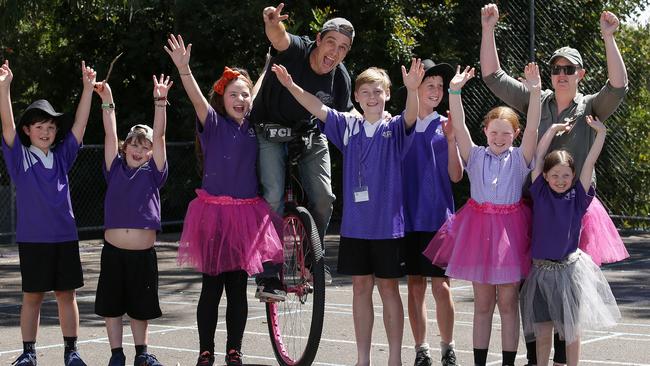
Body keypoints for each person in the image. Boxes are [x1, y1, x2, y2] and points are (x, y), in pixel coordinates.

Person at [480, 4, 629, 364]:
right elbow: (492, 76)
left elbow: (619, 86)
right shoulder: (536, 99)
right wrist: (488, 29)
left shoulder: (590, 106)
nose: (561, 74)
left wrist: (609, 38)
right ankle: (535, 357)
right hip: (531, 206)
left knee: (569, 291)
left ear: (580, 73)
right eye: (555, 69)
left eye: (568, 69)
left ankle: (564, 358)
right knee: (531, 286)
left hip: (573, 210)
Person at [272, 58, 424, 366]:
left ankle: (395, 358)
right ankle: (362, 359)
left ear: (388, 95)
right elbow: (317, 107)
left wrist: (413, 89)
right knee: (360, 289)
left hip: (387, 228)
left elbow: (411, 114)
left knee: (389, 290)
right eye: (366, 91)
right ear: (356, 97)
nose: (372, 97)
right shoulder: (349, 126)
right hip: (356, 228)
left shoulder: (394, 127)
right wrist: (290, 86)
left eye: (378, 91)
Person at [165, 34, 284, 366]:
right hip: (213, 215)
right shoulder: (213, 122)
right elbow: (195, 96)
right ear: (222, 97)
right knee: (211, 288)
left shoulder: (252, 127)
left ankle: (235, 349)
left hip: (246, 216)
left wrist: (268, 64)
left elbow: (259, 87)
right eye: (234, 94)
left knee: (237, 288)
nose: (241, 98)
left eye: (245, 95)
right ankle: (206, 350)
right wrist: (184, 70)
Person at [423, 63, 541, 366]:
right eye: (494, 131)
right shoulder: (474, 155)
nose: (499, 137)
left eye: (506, 133)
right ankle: (478, 362)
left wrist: (535, 90)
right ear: (485, 131)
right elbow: (458, 126)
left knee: (508, 303)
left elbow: (533, 128)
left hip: (510, 235)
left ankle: (508, 362)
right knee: (483, 304)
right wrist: (454, 91)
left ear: (514, 134)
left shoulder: (520, 158)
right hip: (477, 233)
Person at [249, 3, 356, 297]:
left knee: (324, 197)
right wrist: (271, 22)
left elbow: (348, 116)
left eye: (343, 48)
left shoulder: (340, 77)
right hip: (269, 130)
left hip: (308, 134)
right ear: (318, 40)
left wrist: (379, 120)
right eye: (331, 42)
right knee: (272, 195)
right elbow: (279, 37)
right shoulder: (297, 50)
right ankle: (268, 273)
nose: (334, 52)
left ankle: (313, 256)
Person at [0, 59, 95, 366]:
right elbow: (7, 124)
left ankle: (72, 351)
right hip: (34, 240)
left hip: (65, 237)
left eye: (51, 127)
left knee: (67, 296)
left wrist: (87, 89)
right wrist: (4, 88)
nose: (46, 131)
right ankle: (29, 352)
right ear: (27, 131)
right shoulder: (19, 158)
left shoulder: (63, 157)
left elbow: (79, 125)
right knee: (33, 297)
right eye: (39, 127)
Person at [521, 116, 621, 366]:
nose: (560, 180)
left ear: (573, 176)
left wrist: (600, 134)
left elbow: (589, 163)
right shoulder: (540, 192)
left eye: (566, 175)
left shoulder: (578, 197)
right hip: (540, 271)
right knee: (543, 332)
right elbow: (538, 157)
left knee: (571, 332)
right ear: (545, 176)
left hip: (569, 271)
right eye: (555, 175)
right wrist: (553, 129)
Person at [93, 74, 172, 366]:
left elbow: (161, 135)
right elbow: (109, 134)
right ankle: (116, 354)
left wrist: (160, 101)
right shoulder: (113, 168)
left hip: (142, 255)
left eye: (145, 147)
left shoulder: (154, 172)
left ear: (151, 152)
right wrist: (107, 100)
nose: (139, 150)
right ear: (126, 147)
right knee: (112, 308)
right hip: (113, 254)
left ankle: (142, 354)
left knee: (141, 309)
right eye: (134, 145)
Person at [401, 59, 462, 366]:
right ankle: (421, 349)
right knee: (415, 285)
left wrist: (452, 139)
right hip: (409, 219)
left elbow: (455, 176)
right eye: (430, 85)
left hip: (440, 219)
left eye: (440, 86)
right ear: (416, 87)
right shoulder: (400, 125)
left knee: (442, 286)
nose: (436, 91)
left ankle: (448, 347)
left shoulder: (446, 125)